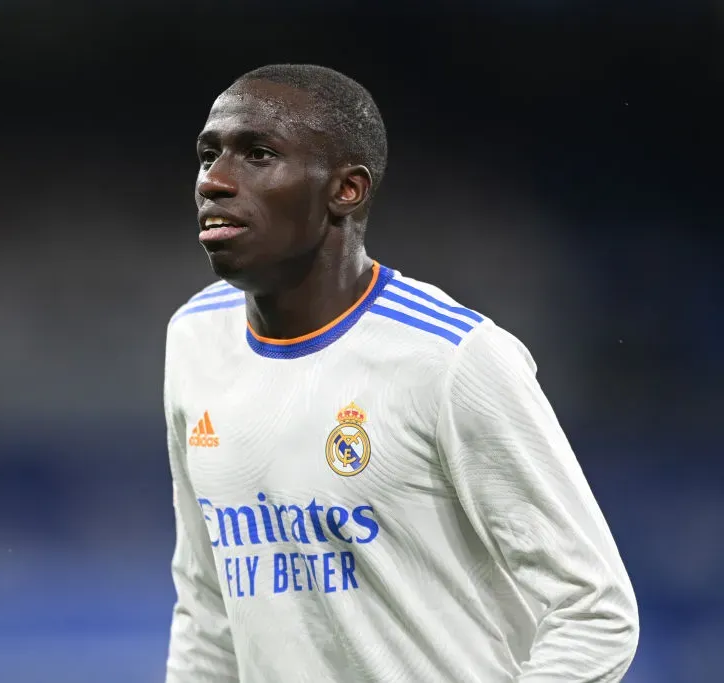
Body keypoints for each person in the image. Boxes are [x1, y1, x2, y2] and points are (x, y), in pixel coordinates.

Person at [163, 64, 639, 683]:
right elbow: (207, 607)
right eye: (208, 155)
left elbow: (595, 611)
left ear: (347, 190)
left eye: (257, 154)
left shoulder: (452, 359)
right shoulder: (194, 337)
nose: (215, 181)